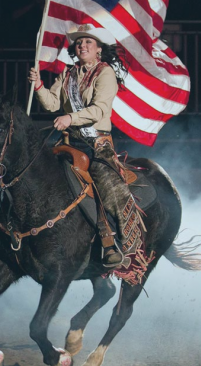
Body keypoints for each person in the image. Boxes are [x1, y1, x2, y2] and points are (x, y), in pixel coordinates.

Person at [27, 24, 143, 268]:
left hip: (97, 143)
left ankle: (112, 240)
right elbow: (50, 104)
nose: (82, 45)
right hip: (70, 142)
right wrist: (38, 86)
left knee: (104, 182)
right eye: (79, 42)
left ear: (99, 49)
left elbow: (100, 109)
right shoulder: (68, 74)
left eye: (88, 42)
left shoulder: (105, 73)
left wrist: (71, 118)